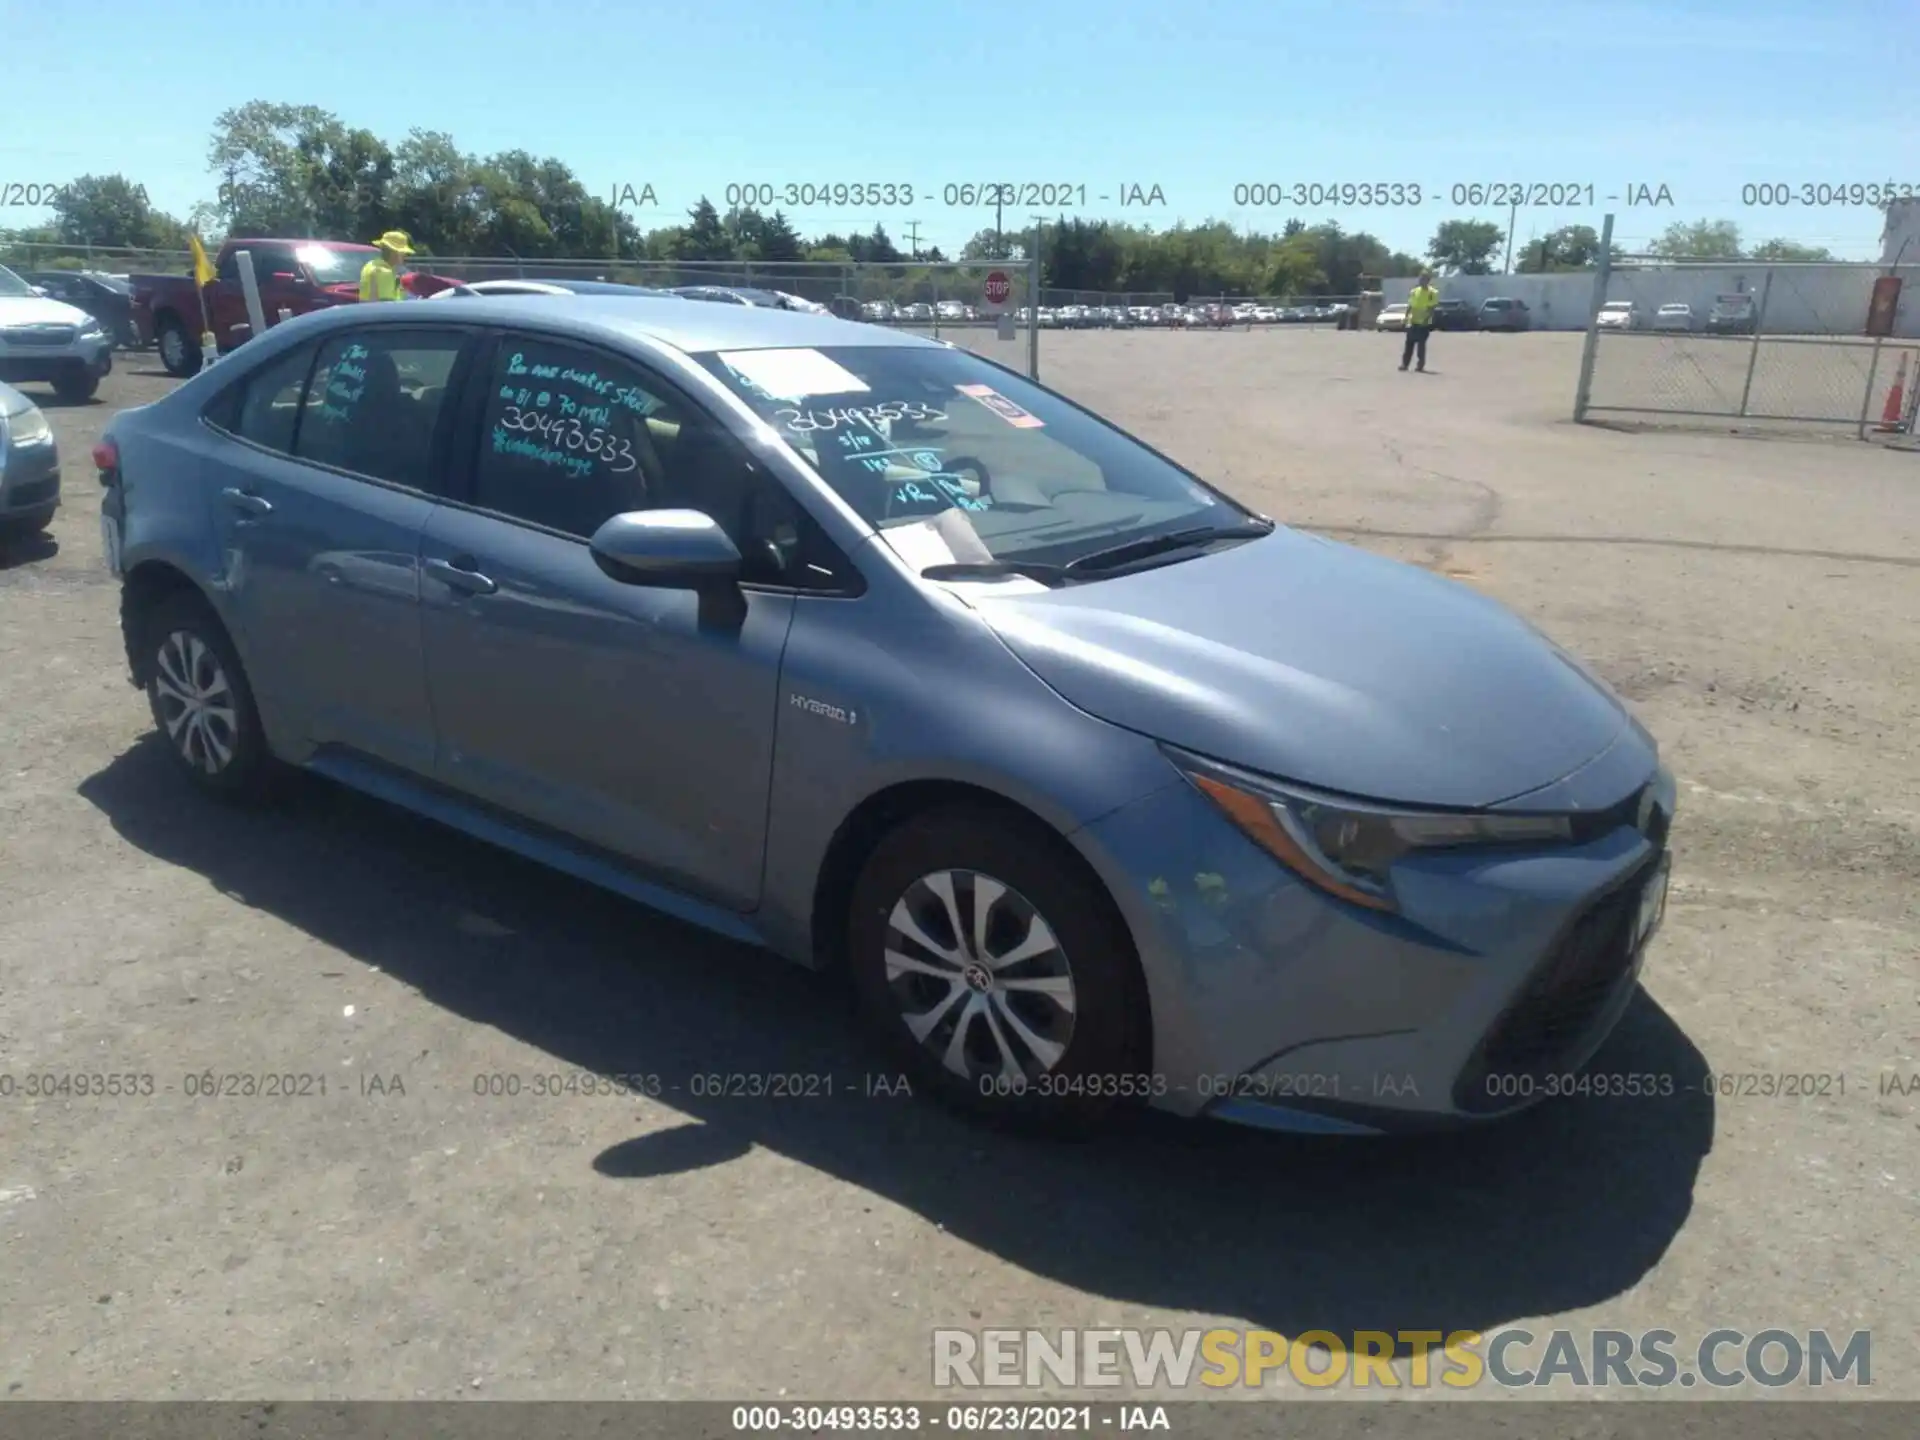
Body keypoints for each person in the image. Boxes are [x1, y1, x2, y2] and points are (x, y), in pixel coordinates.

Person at [359, 230, 414, 302]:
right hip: (379, 313)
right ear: (394, 253)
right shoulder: (385, 272)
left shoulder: (369, 265)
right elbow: (387, 305)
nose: (405, 255)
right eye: (403, 252)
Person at [1401, 272, 1440, 372]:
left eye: (1424, 279)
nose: (1421, 281)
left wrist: (1427, 319)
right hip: (1413, 321)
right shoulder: (1414, 291)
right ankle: (1404, 364)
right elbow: (1410, 305)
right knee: (1409, 344)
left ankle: (1420, 365)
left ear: (1428, 281)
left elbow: (1432, 308)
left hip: (1424, 323)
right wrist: (1406, 317)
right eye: (1420, 279)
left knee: (1421, 346)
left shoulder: (1433, 293)